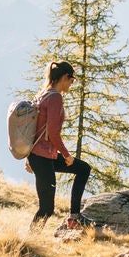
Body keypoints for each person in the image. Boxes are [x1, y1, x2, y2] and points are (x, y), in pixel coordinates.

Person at [28, 60, 93, 229]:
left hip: (41, 156)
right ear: (65, 77)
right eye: (71, 80)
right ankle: (27, 241)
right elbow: (53, 132)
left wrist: (29, 157)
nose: (72, 84)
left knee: (83, 169)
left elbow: (34, 130)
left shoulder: (43, 94)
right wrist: (66, 155)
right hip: (42, 157)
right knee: (46, 209)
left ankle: (74, 217)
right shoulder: (55, 97)